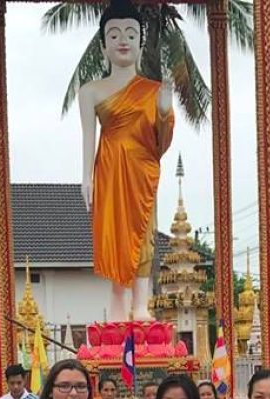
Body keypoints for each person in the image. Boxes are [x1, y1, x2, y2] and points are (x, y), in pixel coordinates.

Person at [79, 0, 174, 321]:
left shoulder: (153, 89)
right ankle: (119, 306)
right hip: (108, 168)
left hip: (142, 169)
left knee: (144, 233)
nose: (123, 40)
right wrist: (86, 177)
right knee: (114, 234)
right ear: (103, 45)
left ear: (140, 43)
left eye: (131, 34)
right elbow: (88, 138)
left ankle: (141, 306)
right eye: (115, 34)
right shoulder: (90, 91)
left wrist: (163, 111)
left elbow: (161, 143)